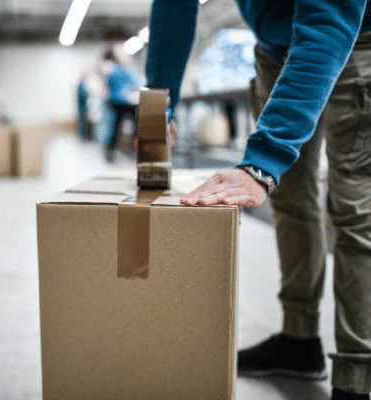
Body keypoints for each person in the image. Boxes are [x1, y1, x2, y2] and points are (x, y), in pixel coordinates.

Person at [145, 1, 371, 399]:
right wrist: (159, 104)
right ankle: (299, 340)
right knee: (291, 200)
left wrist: (263, 161)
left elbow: (328, 20)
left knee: (354, 208)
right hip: (275, 48)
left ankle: (357, 376)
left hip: (355, 42)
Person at [101, 48, 142, 162]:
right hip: (127, 102)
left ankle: (110, 151)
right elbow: (136, 83)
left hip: (115, 102)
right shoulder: (128, 70)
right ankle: (135, 148)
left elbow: (107, 84)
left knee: (115, 127)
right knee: (135, 124)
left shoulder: (111, 69)